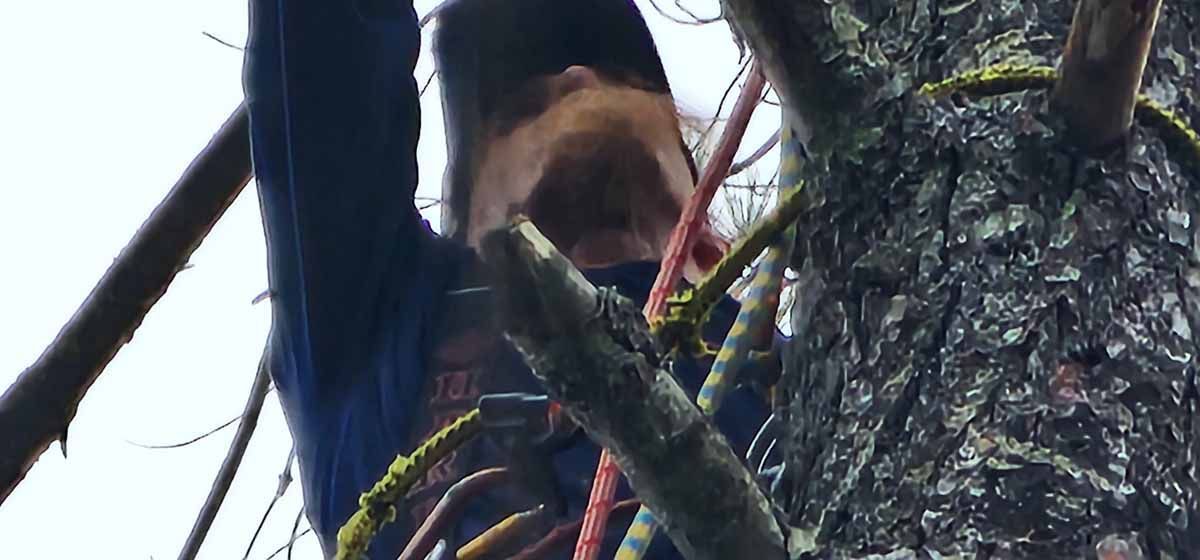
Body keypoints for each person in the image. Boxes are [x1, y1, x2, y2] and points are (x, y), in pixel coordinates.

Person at [243, 0, 770, 557]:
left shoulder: (798, 365)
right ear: (472, 223)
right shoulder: (389, 330)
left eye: (619, 81)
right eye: (523, 110)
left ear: (713, 246)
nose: (575, 78)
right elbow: (327, 53)